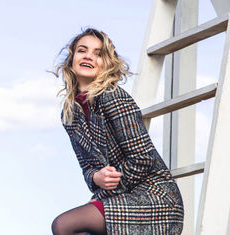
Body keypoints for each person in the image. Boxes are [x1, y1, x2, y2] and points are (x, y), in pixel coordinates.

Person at [50, 28, 184, 235]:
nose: (89, 56)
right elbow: (87, 168)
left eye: (98, 53)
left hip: (155, 198)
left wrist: (105, 192)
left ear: (107, 63)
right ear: (71, 60)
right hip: (120, 198)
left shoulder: (112, 96)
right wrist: (96, 178)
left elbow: (142, 159)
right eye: (82, 51)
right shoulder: (69, 114)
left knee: (63, 225)